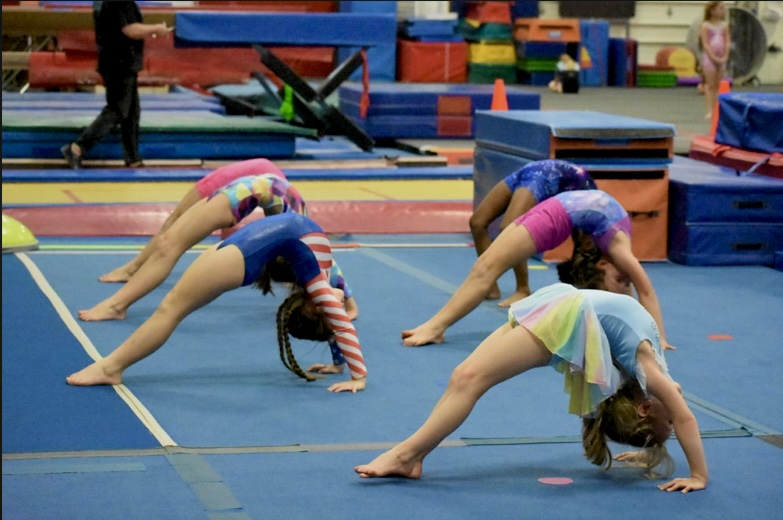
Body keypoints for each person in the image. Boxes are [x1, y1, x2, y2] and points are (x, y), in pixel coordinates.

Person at [357, 283, 708, 493]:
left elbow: (678, 414)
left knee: (468, 380)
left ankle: (407, 456)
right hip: (563, 309)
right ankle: (411, 456)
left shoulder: (644, 380)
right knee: (463, 375)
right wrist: (676, 462)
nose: (676, 421)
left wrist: (678, 462)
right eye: (671, 429)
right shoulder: (651, 377)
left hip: (567, 319)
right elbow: (679, 413)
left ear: (644, 407)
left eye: (668, 428)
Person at [66, 212, 368, 393]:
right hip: (239, 253)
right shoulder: (324, 281)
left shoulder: (320, 285)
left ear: (315, 306)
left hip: (240, 256)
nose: (340, 306)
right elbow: (339, 323)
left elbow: (340, 324)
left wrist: (356, 374)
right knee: (171, 308)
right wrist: (344, 368)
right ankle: (111, 366)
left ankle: (111, 367)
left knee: (171, 310)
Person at [402, 190, 674, 351]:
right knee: (486, 268)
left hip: (558, 211)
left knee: (486, 267)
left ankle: (435, 326)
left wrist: (643, 330)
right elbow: (645, 291)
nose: (624, 279)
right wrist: (657, 335)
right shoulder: (618, 249)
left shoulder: (610, 252)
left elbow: (628, 297)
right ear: (603, 265)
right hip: (555, 216)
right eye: (620, 279)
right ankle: (435, 327)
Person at [78, 172, 307, 322]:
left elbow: (338, 288)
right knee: (169, 243)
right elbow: (336, 286)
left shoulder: (301, 239)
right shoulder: (306, 246)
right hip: (252, 190)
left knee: (169, 245)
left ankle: (118, 305)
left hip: (250, 190)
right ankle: (118, 304)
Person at [61, 1, 173, 169]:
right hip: (118, 63)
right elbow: (130, 30)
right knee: (118, 110)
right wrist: (155, 29)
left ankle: (133, 158)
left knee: (132, 113)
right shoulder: (117, 2)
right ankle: (77, 147)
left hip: (123, 63)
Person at [469, 159, 596, 307]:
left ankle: (522, 289)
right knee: (477, 223)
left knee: (509, 227)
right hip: (533, 171)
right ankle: (490, 287)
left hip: (563, 178)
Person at [699, 1, 730, 120]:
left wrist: (725, 55)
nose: (722, 11)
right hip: (710, 57)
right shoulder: (705, 25)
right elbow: (705, 44)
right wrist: (714, 57)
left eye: (723, 8)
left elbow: (727, 41)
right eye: (720, 8)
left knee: (718, 85)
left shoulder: (724, 25)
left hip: (722, 56)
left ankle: (718, 109)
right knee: (710, 85)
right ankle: (710, 110)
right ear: (712, 10)